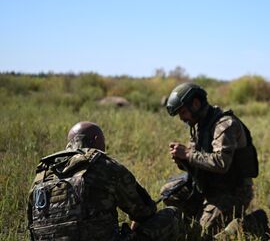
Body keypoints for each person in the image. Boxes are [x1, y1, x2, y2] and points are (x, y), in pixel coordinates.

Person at [27, 121, 181, 240]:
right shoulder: (105, 166)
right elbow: (144, 211)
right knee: (171, 215)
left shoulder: (42, 174)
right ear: (96, 140)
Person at [162, 82, 258, 238]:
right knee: (168, 193)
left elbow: (221, 163)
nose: (182, 118)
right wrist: (182, 160)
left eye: (184, 112)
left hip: (233, 190)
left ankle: (253, 222)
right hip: (209, 185)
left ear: (196, 104)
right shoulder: (199, 125)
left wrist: (187, 154)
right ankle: (195, 218)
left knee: (205, 232)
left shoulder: (225, 125)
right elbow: (198, 161)